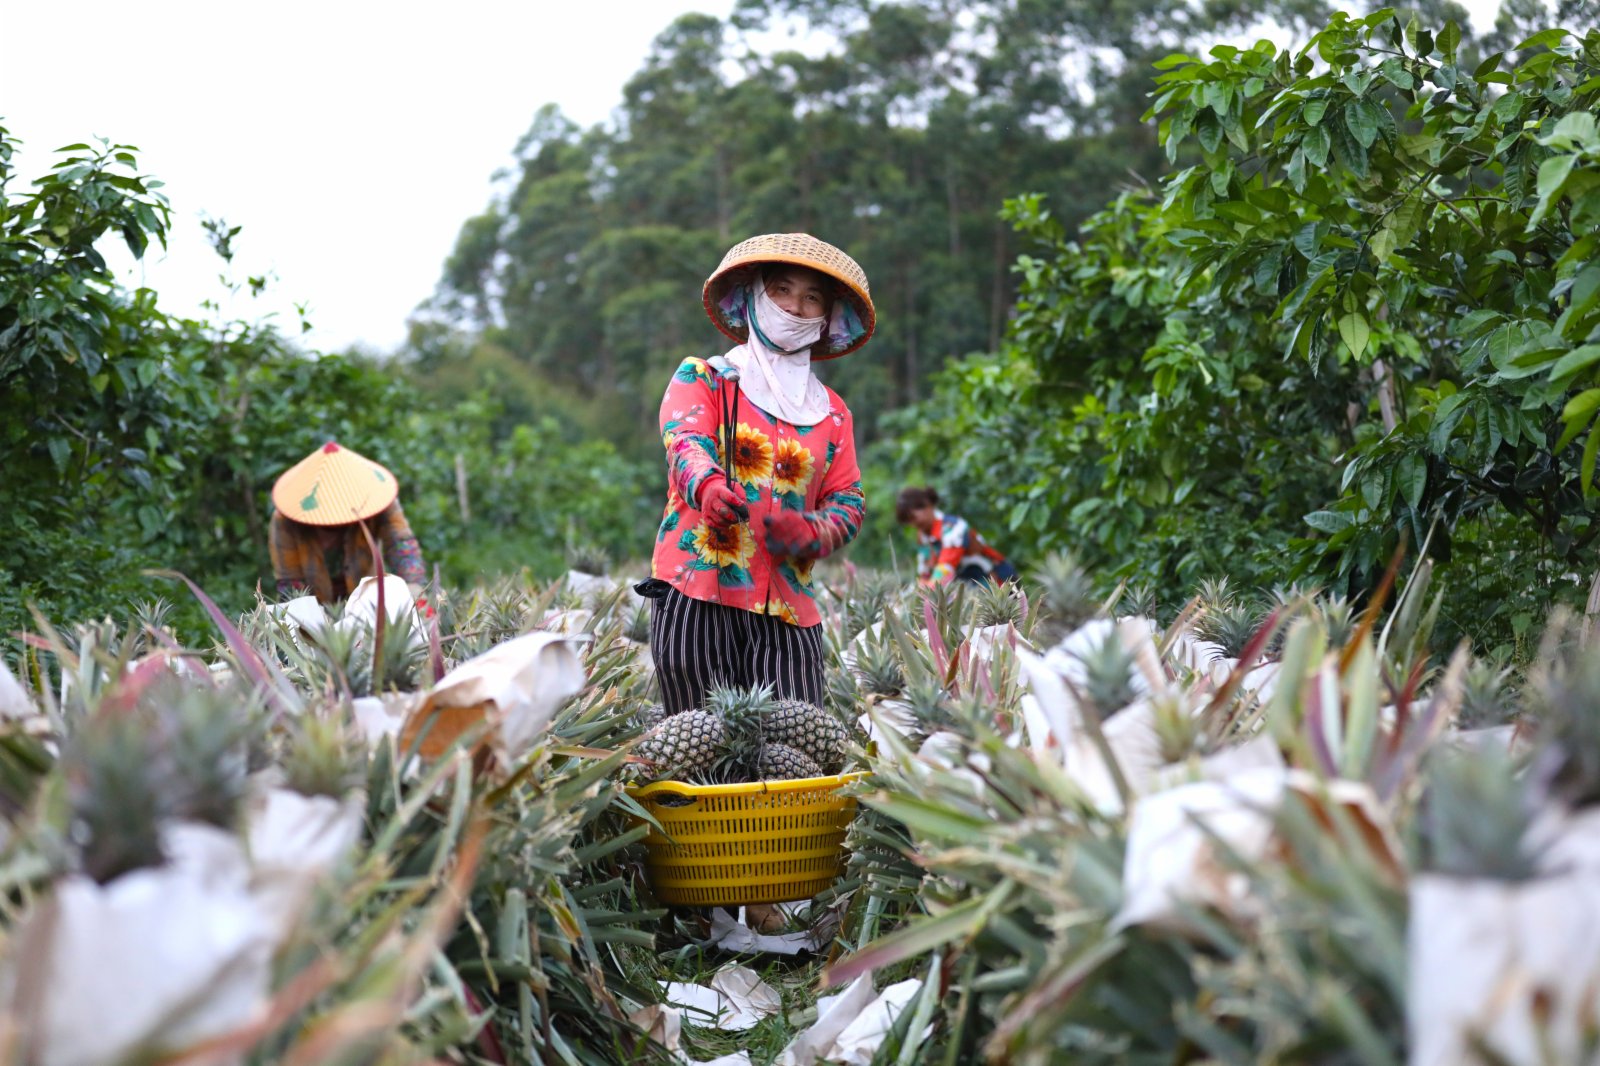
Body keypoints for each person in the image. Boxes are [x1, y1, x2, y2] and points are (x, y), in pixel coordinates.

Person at [642, 233, 872, 714]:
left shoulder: (832, 414)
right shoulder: (704, 378)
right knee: (703, 741)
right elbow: (685, 442)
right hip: (698, 591)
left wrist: (813, 530)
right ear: (754, 296)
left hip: (789, 606)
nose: (795, 307)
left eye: (813, 298)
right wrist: (707, 488)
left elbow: (848, 499)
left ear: (828, 317)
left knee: (791, 748)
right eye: (782, 290)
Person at [268, 441, 429, 604]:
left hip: (368, 602)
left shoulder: (376, 501)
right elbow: (290, 582)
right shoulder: (286, 521)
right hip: (316, 608)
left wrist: (413, 585)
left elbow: (401, 545)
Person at [896, 486, 1017, 586]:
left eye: (913, 517)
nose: (912, 524)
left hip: (997, 583)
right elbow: (925, 572)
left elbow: (945, 568)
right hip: (967, 587)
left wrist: (927, 591)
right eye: (908, 521)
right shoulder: (923, 537)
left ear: (927, 505)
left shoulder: (953, 527)